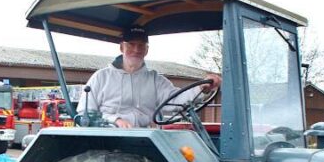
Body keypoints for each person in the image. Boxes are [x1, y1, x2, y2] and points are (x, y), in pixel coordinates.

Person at [78, 25, 222, 128]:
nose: (136, 50)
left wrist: (201, 88)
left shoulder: (155, 80)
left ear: (147, 50)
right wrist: (114, 120)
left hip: (143, 136)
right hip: (108, 136)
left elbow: (177, 100)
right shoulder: (101, 77)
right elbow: (85, 114)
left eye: (141, 45)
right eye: (131, 44)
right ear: (122, 47)